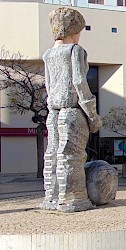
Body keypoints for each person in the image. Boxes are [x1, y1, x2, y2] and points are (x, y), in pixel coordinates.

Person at [40, 7, 102, 212]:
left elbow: (48, 85)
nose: (79, 36)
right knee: (72, 156)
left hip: (54, 110)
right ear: (73, 29)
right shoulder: (75, 51)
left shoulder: (48, 54)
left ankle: (51, 197)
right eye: (79, 31)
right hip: (72, 109)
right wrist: (92, 114)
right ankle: (73, 199)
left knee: (52, 155)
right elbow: (79, 82)